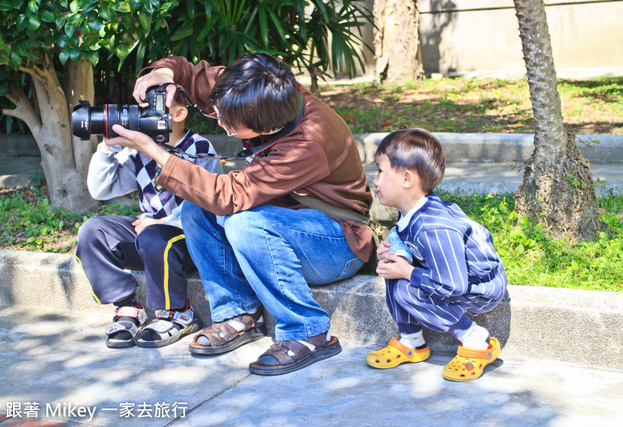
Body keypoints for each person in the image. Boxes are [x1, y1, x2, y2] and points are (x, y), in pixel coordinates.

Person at [104, 53, 373, 375]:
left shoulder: (307, 142)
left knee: (246, 222)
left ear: (270, 126)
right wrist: (161, 74)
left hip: (336, 241)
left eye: (228, 126)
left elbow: (230, 196)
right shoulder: (254, 89)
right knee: (195, 207)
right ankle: (238, 314)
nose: (219, 122)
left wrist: (152, 149)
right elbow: (191, 73)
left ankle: (309, 331)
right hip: (290, 220)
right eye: (218, 113)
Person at [76, 91, 223, 349]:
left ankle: (177, 312)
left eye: (155, 107)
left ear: (179, 114)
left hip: (188, 237)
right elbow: (100, 189)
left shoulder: (199, 147)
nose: (145, 113)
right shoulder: (138, 150)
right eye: (142, 107)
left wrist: (162, 224)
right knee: (92, 231)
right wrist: (107, 147)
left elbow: (207, 204)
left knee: (154, 236)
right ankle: (127, 306)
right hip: (149, 235)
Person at [366, 128, 507, 382]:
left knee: (405, 287)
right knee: (394, 269)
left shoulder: (433, 227)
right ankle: (413, 341)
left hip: (479, 287)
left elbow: (452, 284)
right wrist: (393, 253)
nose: (375, 180)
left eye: (380, 171)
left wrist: (407, 271)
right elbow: (401, 237)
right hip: (456, 278)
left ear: (406, 179)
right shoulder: (411, 211)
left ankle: (476, 339)